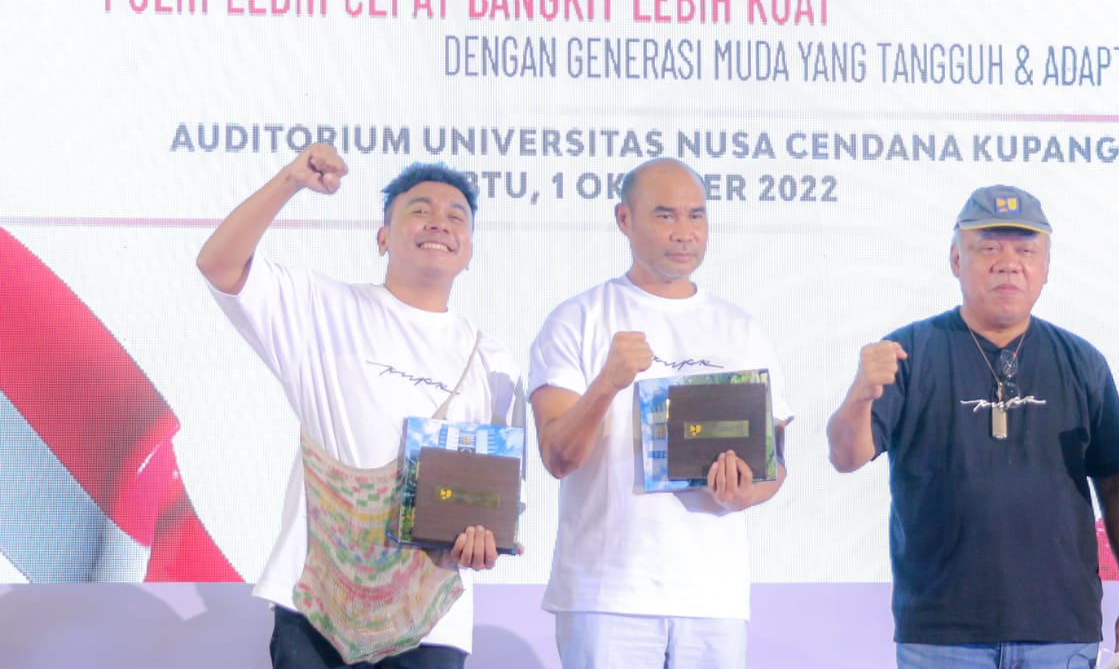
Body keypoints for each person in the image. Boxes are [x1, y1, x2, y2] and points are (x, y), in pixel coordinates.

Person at [197, 145, 523, 669]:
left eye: (456, 216)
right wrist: (290, 180)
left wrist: (483, 541)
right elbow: (219, 263)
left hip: (432, 620)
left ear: (468, 251)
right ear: (382, 236)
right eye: (420, 210)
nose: (439, 222)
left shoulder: (493, 360)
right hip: (314, 602)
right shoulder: (322, 308)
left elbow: (492, 499)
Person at [826, 184, 1119, 669]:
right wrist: (859, 394)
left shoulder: (1082, 361)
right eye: (989, 248)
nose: (1008, 264)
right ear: (956, 259)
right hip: (942, 634)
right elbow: (845, 457)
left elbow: (1116, 483)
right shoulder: (907, 352)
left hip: (1059, 630)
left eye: (1026, 251)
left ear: (1046, 268)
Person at [527, 158, 790, 669]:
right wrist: (608, 383)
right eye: (665, 215)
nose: (684, 232)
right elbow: (557, 456)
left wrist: (744, 492)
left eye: (696, 215)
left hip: (712, 598)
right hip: (606, 595)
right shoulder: (577, 319)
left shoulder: (741, 328)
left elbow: (776, 462)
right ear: (624, 219)